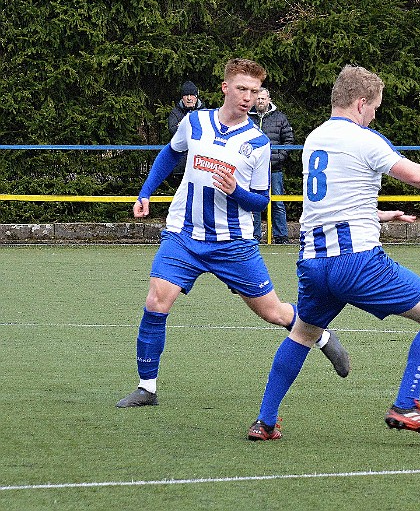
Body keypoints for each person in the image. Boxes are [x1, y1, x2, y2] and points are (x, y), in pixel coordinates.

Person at [246, 65, 420, 441]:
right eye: (374, 106)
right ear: (361, 104)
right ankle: (406, 403)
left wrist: (378, 214)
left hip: (312, 263)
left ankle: (265, 421)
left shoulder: (315, 139)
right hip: (357, 262)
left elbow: (332, 201)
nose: (375, 114)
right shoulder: (365, 139)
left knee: (303, 334)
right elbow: (417, 175)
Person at [116, 58, 349, 409]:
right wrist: (146, 191)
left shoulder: (257, 143)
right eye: (242, 88)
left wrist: (235, 190)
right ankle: (146, 387)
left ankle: (320, 334)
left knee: (272, 312)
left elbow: (259, 201)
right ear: (225, 87)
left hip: (233, 243)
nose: (248, 97)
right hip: (184, 234)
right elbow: (170, 152)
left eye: (254, 92)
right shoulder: (194, 122)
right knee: (156, 302)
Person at [248, 88, 294, 243]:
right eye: (258, 98)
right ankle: (254, 235)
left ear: (269, 99)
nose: (260, 101)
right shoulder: (247, 118)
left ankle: (281, 236)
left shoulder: (280, 118)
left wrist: (278, 158)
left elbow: (288, 140)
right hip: (253, 169)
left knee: (278, 202)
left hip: (274, 169)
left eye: (263, 98)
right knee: (253, 202)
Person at [166, 81, 206, 176]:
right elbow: (173, 131)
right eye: (186, 95)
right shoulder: (175, 113)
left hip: (200, 165)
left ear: (196, 97)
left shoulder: (205, 112)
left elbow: (206, 133)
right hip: (180, 166)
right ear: (182, 97)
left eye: (191, 95)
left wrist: (183, 126)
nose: (189, 98)